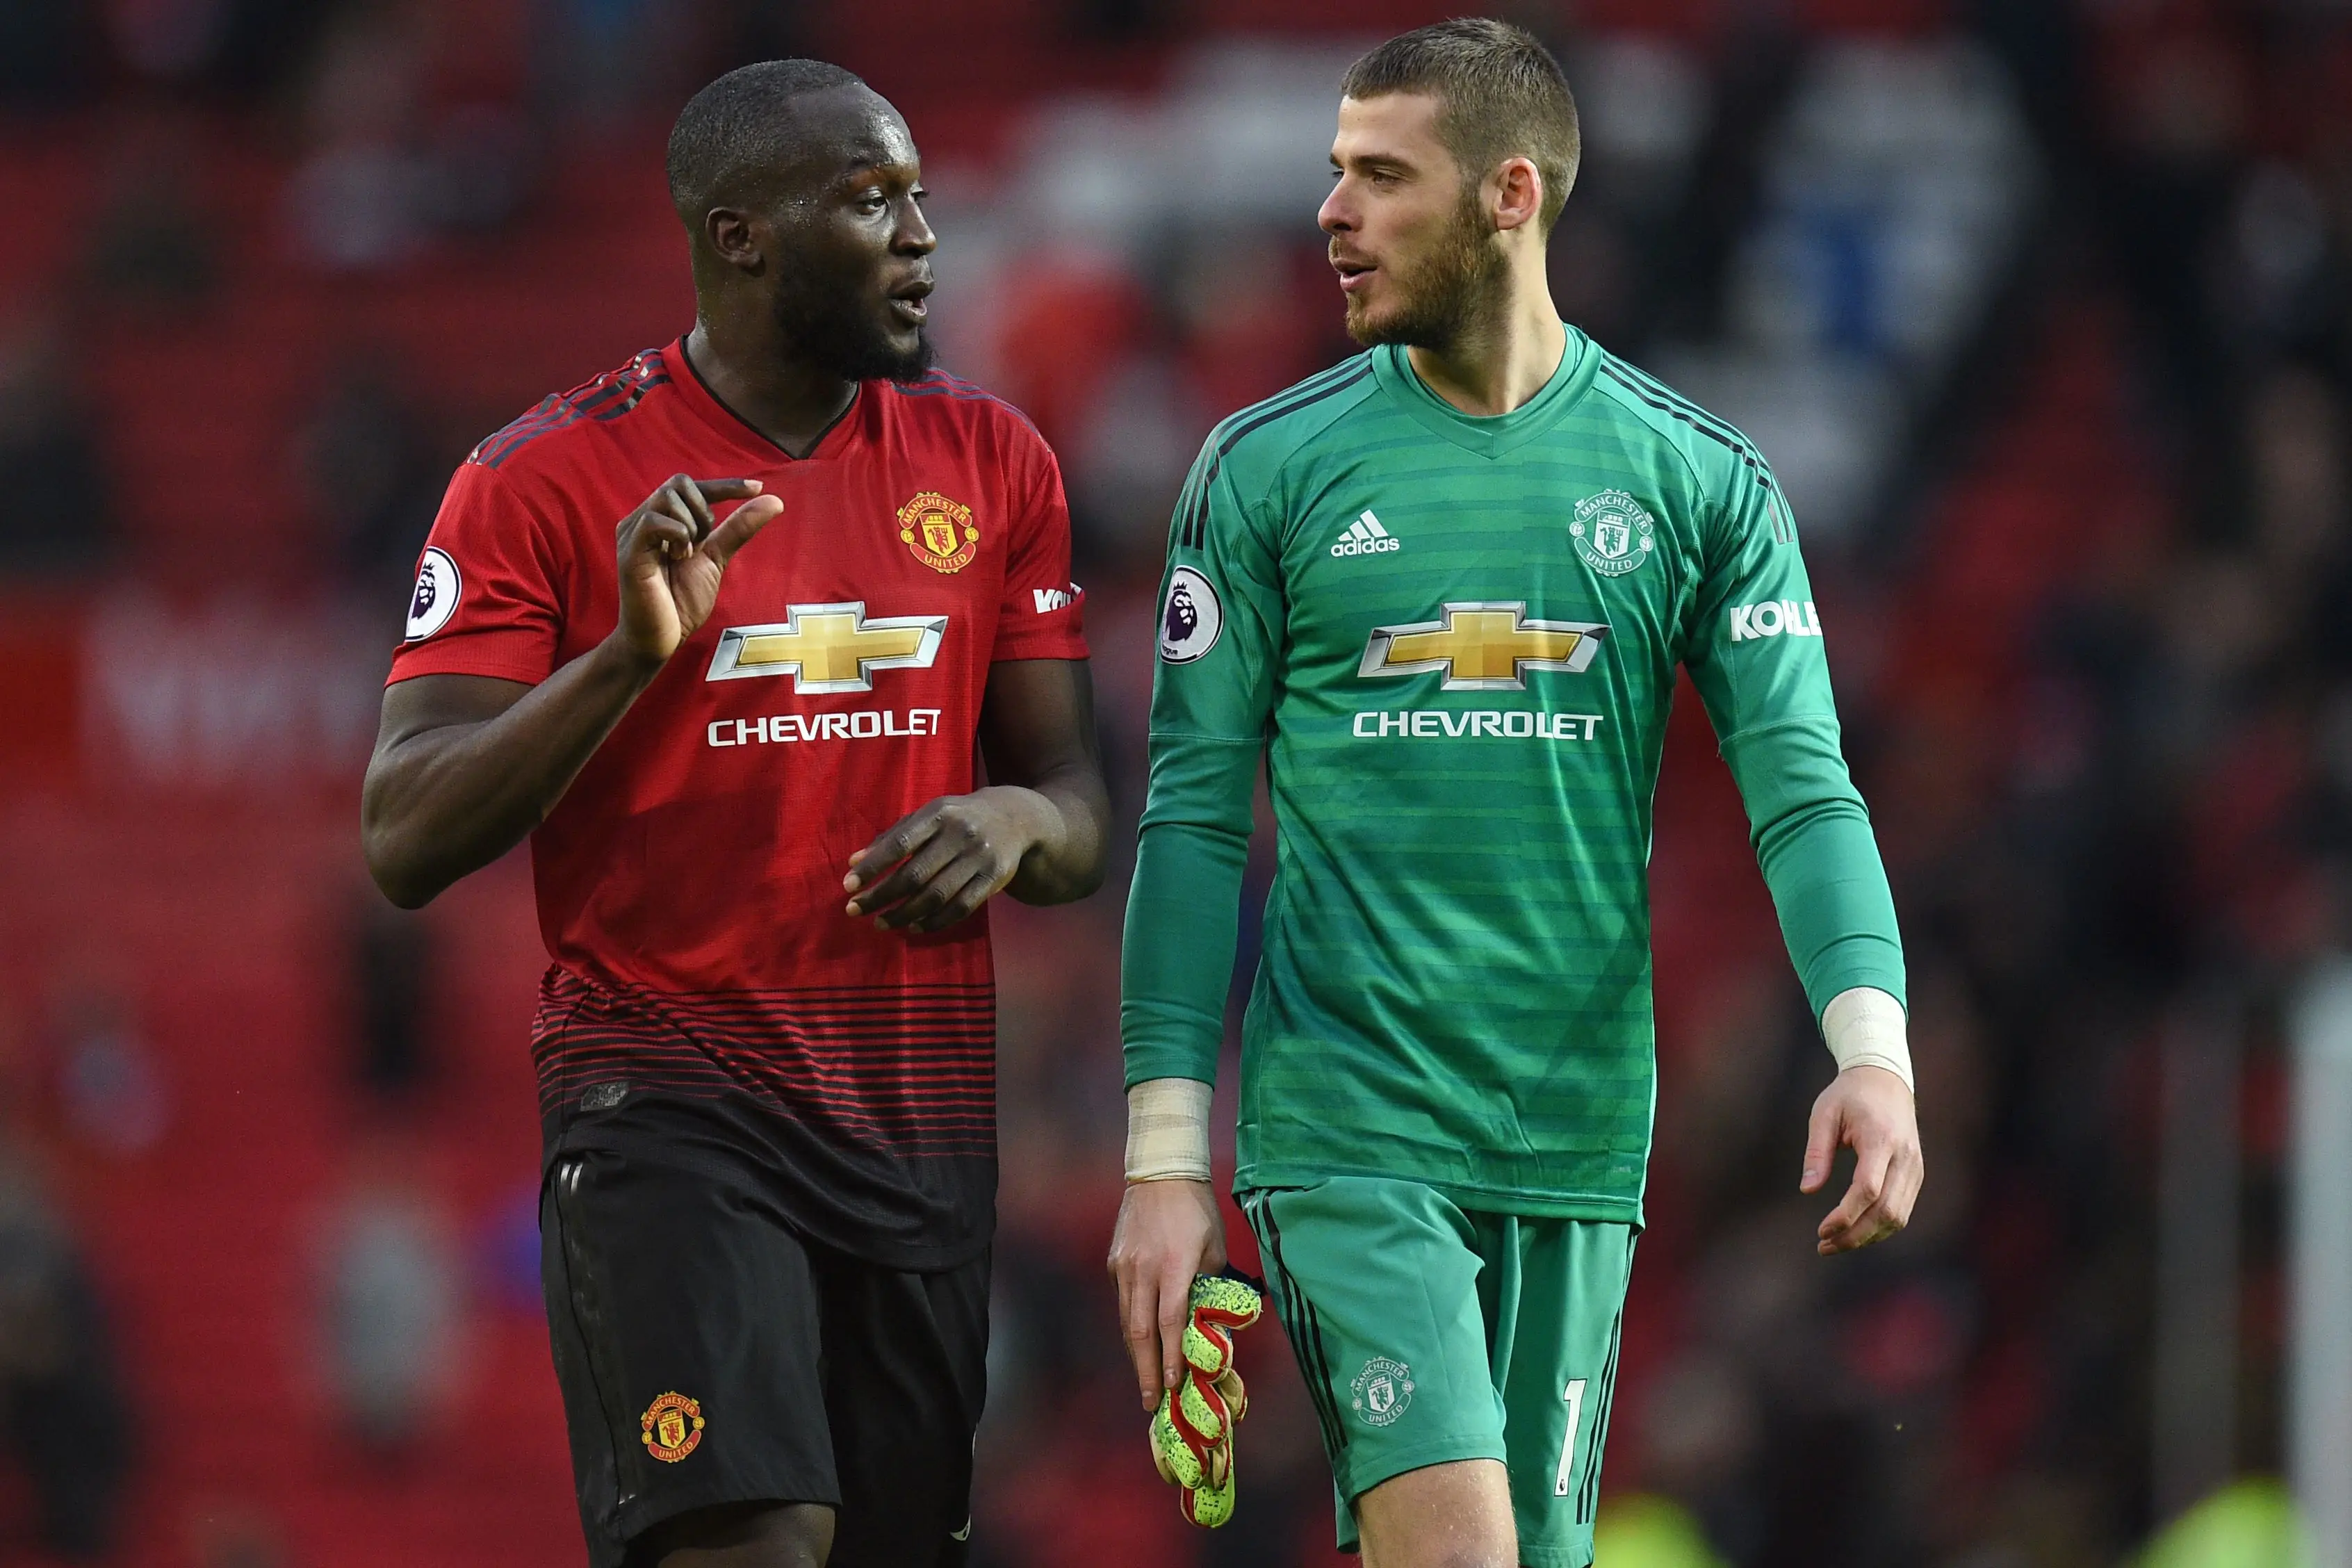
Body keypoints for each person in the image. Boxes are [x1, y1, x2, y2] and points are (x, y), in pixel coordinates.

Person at [1106, 22, 1922, 1568]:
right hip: (1351, 1120)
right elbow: (1195, 819)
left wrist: (1869, 1049)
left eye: (1381, 177)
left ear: (1510, 196)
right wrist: (1163, 1162)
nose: (1332, 214)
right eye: (1334, 172)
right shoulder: (1264, 472)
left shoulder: (1698, 481)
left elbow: (1804, 790)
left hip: (1577, 1129)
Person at [361, 59, 1109, 1568]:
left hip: (915, 1124)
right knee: (752, 1543)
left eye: (917, 197)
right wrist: (630, 660)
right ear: (739, 236)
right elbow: (404, 832)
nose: (919, 237)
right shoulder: (543, 481)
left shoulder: (995, 462)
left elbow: (1080, 803)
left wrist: (1018, 823)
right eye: (867, 200)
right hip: (669, 1105)